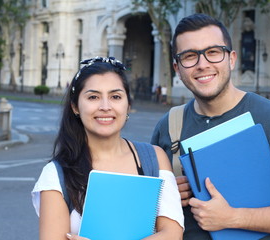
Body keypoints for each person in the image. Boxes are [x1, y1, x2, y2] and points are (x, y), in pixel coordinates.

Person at [151, 13, 270, 240]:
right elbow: (149, 212)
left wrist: (233, 218)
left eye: (213, 52)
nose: (202, 64)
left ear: (231, 58)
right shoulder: (168, 126)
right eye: (190, 56)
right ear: (177, 68)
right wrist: (164, 198)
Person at [32, 56, 184, 240]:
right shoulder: (56, 174)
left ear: (128, 105)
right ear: (75, 107)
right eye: (93, 97)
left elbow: (173, 234)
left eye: (115, 97)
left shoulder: (154, 158)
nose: (105, 106)